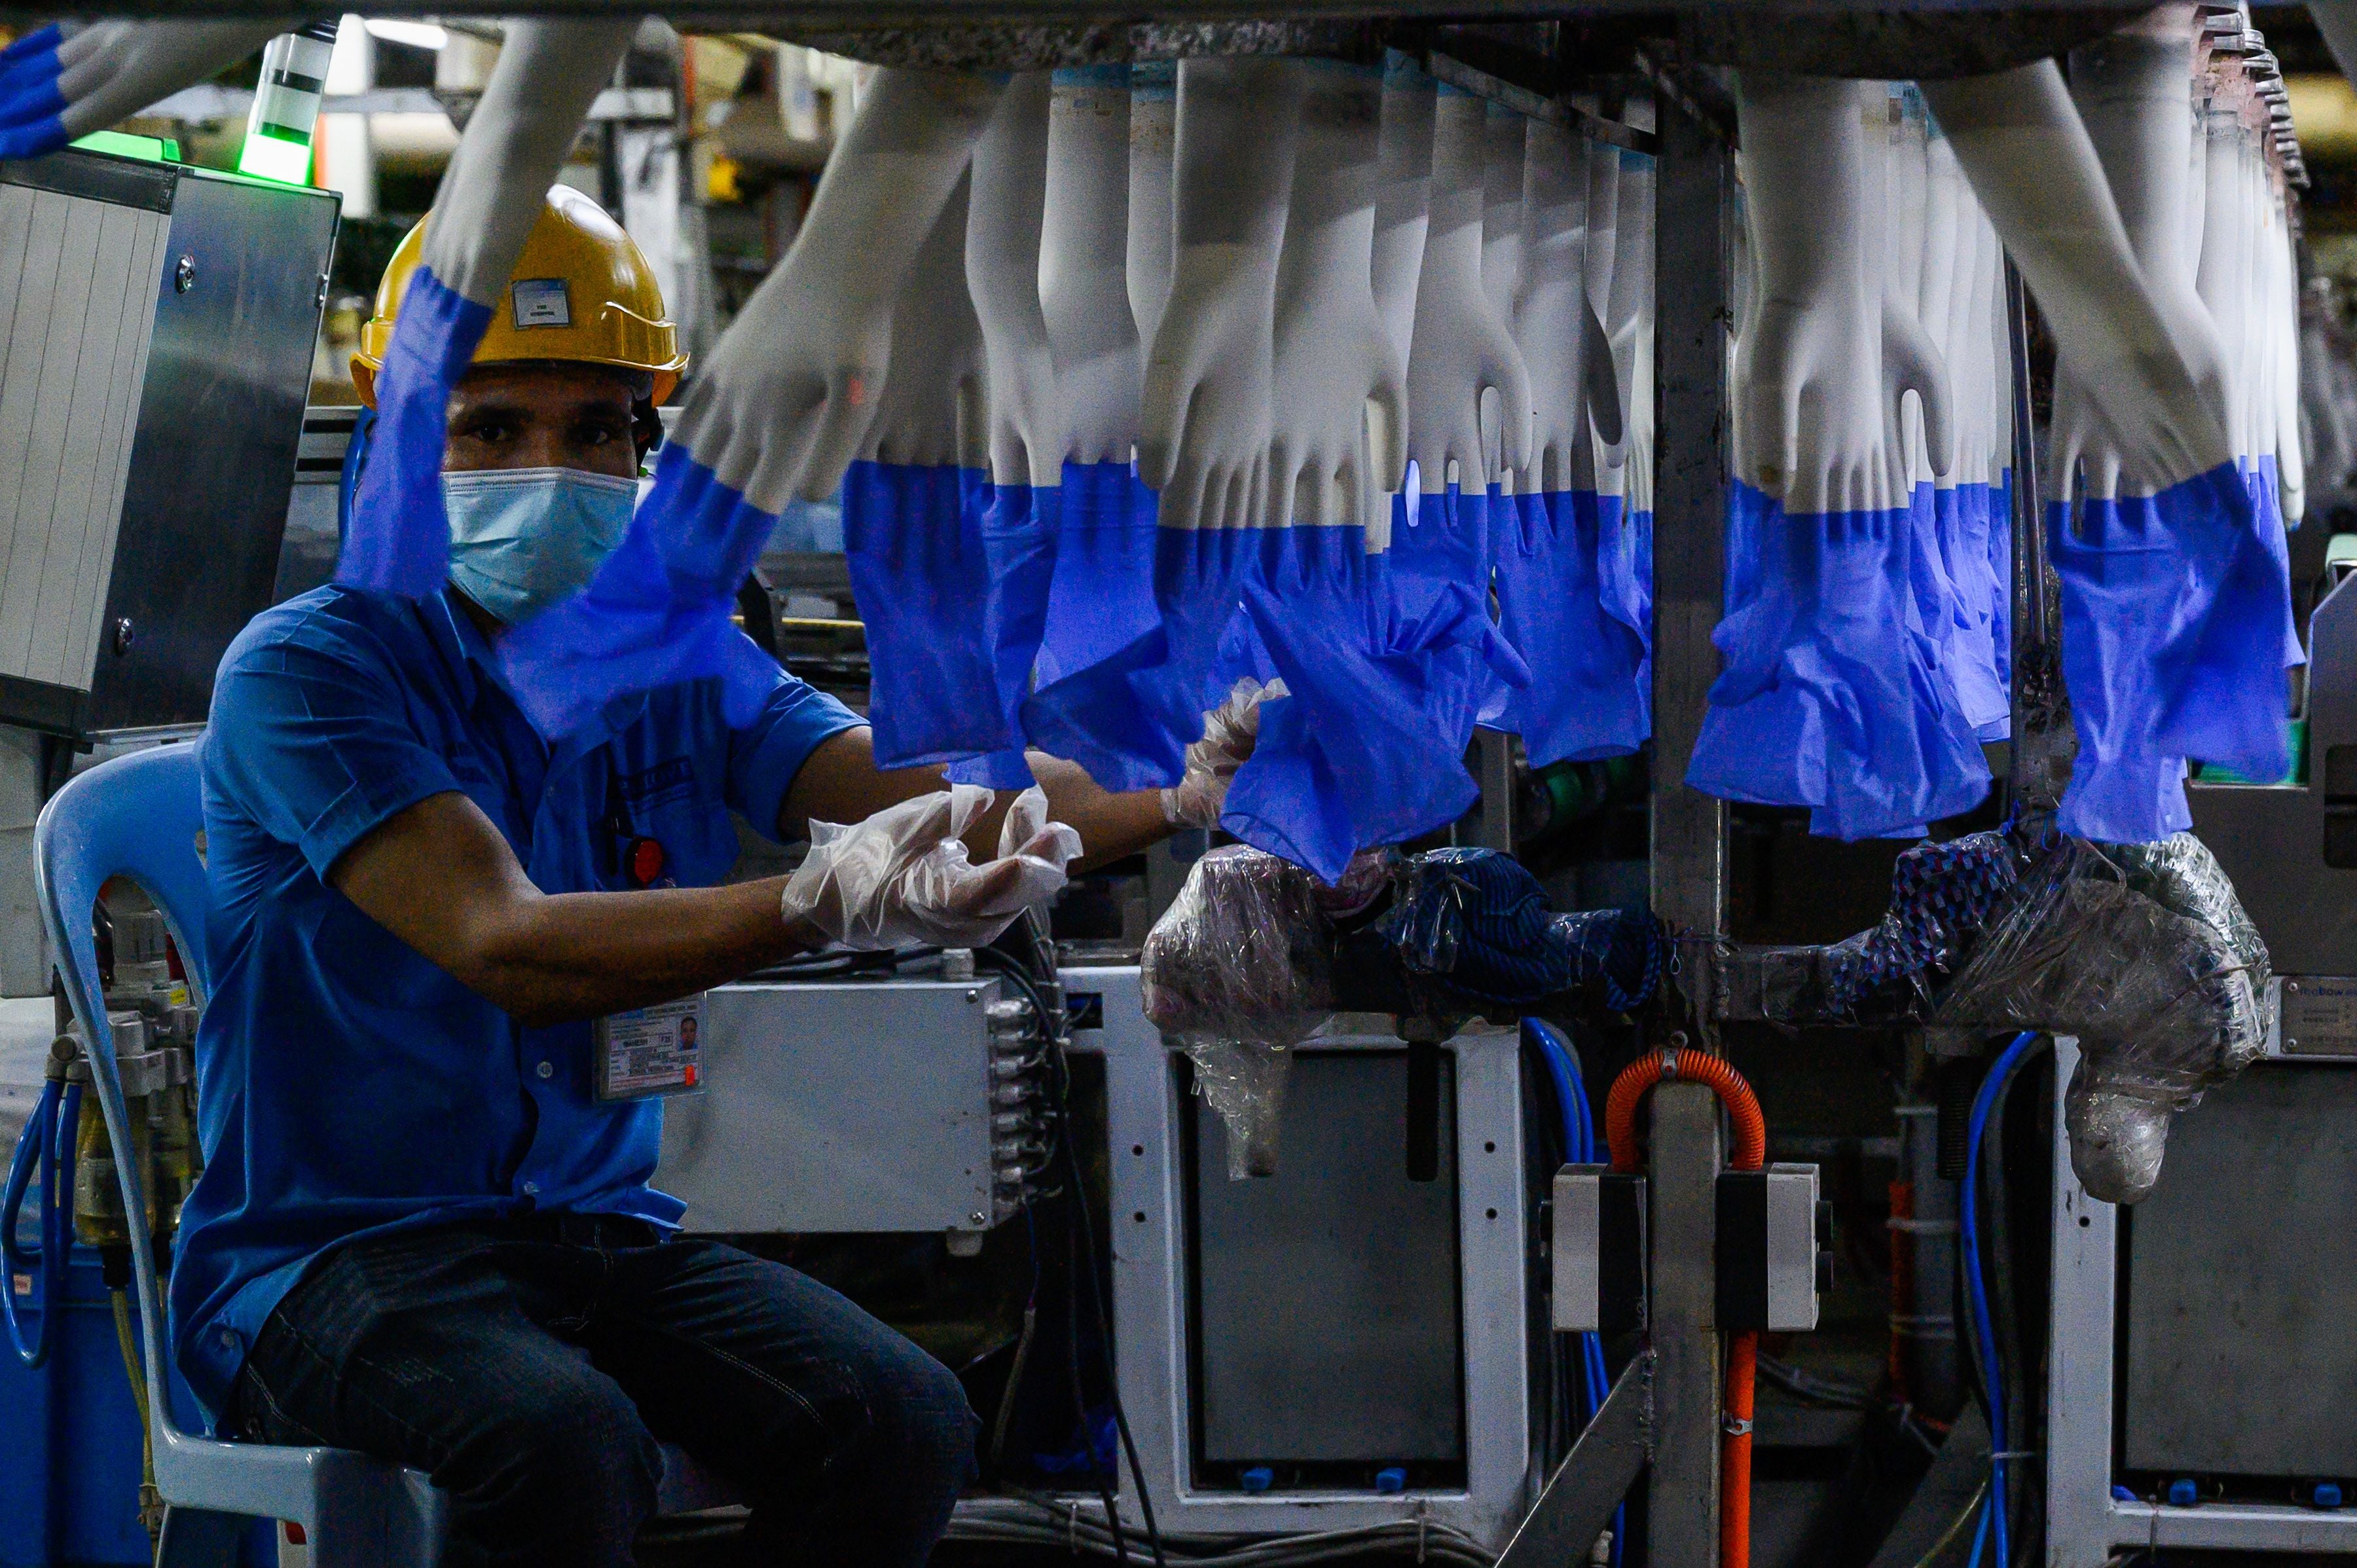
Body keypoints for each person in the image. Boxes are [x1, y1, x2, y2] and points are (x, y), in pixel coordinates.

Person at [170, 188, 1251, 1568]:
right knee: (559, 1441)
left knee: (900, 1416)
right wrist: (814, 900)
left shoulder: (672, 658)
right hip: (328, 1263)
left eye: (599, 428)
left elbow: (944, 789)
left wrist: (1191, 776)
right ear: (395, 432)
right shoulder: (312, 668)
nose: (550, 468)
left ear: (650, 445)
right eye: (492, 428)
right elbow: (510, 943)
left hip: (586, 1235)